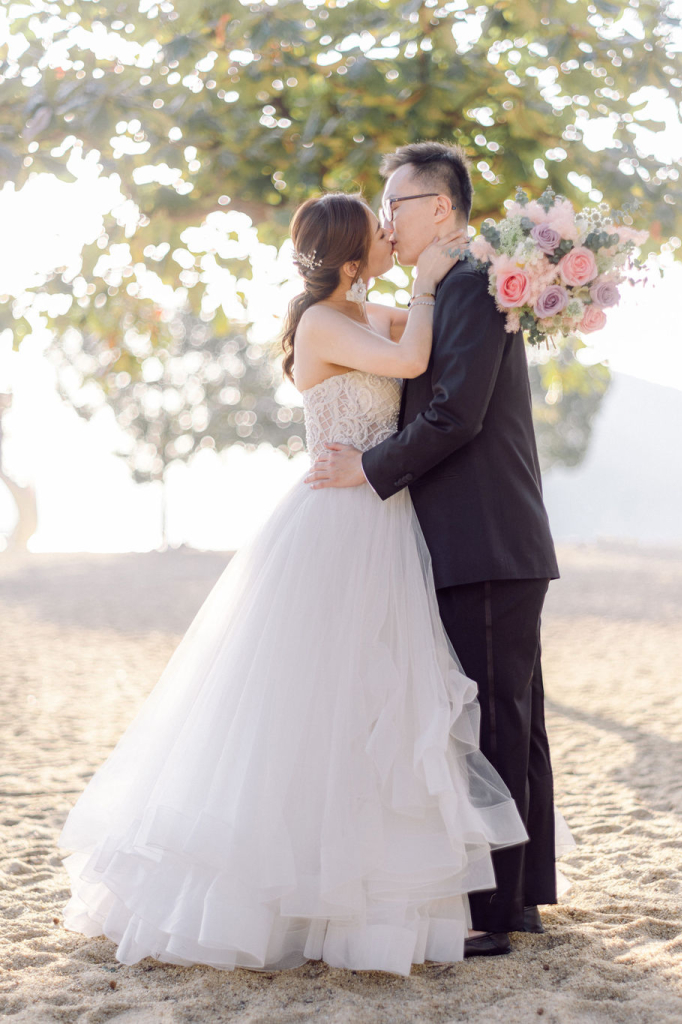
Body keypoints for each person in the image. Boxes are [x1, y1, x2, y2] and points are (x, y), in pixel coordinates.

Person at [56, 189, 572, 978]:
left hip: (390, 522)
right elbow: (412, 361)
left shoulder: (368, 312)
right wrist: (426, 283)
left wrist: (508, 274)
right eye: (378, 227)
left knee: (388, 701)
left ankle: (417, 886)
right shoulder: (322, 323)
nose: (391, 231)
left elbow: (439, 346)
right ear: (353, 252)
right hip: (338, 519)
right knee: (320, 699)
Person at [304, 142, 575, 958]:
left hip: (482, 536)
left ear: (441, 208)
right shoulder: (453, 286)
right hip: (475, 538)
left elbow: (455, 413)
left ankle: (496, 911)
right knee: (509, 717)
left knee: (495, 720)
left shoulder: (468, 286)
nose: (388, 220)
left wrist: (368, 469)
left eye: (396, 204)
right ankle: (520, 899)